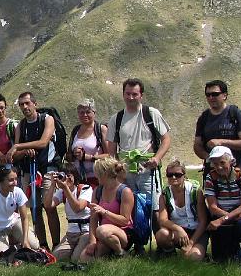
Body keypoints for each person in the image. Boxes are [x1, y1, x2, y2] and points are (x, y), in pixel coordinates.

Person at [108, 79, 171, 216]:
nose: (131, 97)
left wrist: (157, 158)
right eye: (128, 94)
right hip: (125, 172)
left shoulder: (151, 113)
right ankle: (134, 238)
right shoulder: (116, 119)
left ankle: (159, 237)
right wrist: (115, 167)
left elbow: (166, 139)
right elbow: (111, 146)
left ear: (141, 95)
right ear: (123, 94)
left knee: (154, 209)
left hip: (148, 170)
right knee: (128, 210)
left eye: (135, 94)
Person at [7, 91, 57, 248]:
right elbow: (16, 156)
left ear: (35, 104)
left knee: (49, 206)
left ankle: (56, 244)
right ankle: (42, 245)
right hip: (29, 170)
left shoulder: (48, 119)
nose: (24, 107)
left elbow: (43, 143)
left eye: (27, 103)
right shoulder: (21, 125)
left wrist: (19, 146)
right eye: (21, 104)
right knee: (35, 208)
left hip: (47, 168)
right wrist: (23, 151)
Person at [203, 146, 241, 268]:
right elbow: (213, 207)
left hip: (239, 215)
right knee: (223, 260)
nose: (219, 167)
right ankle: (240, 254)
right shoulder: (210, 177)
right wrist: (230, 217)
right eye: (215, 164)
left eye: (222, 162)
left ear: (230, 161)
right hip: (227, 214)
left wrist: (222, 219)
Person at [81, 158, 136, 260]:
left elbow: (125, 220)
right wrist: (92, 242)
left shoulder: (125, 191)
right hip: (104, 235)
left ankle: (121, 253)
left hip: (123, 233)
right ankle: (110, 255)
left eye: (97, 173)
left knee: (102, 230)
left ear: (105, 174)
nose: (95, 176)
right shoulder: (97, 191)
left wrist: (104, 212)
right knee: (84, 257)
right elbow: (93, 218)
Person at [194, 80, 241, 173]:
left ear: (224, 95)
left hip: (238, 172)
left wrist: (221, 142)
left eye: (215, 94)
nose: (211, 97)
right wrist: (210, 159)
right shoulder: (204, 118)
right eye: (208, 95)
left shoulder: (235, 113)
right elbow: (197, 146)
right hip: (213, 175)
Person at [155, 159, 207, 261]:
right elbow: (163, 220)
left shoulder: (196, 192)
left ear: (184, 175)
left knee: (192, 259)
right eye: (170, 175)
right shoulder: (164, 195)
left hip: (197, 231)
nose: (173, 177)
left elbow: (203, 222)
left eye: (177, 174)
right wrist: (179, 229)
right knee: (162, 234)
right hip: (178, 232)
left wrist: (191, 243)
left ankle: (198, 252)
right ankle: (170, 253)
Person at [43, 163, 93, 262]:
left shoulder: (85, 189)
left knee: (76, 258)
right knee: (56, 257)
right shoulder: (62, 192)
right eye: (63, 176)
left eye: (69, 176)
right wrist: (53, 184)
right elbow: (48, 206)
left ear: (75, 176)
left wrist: (65, 188)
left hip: (85, 231)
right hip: (71, 233)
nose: (66, 179)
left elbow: (78, 208)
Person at [0, 165, 39, 253]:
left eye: (16, 179)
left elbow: (24, 218)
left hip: (13, 223)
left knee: (34, 246)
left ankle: (18, 244)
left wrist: (25, 240)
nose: (15, 183)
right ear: (0, 181)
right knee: (4, 255)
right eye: (11, 180)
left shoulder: (18, 192)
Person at [68, 99, 110, 187]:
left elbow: (109, 155)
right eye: (81, 112)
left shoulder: (101, 129)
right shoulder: (75, 130)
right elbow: (68, 156)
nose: (85, 115)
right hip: (78, 179)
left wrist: (89, 157)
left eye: (88, 112)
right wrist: (74, 153)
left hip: (97, 179)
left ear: (94, 112)